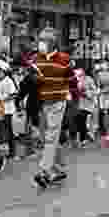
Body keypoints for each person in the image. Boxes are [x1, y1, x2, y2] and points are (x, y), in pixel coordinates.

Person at [32, 29, 71, 189]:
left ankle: (44, 170)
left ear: (53, 43)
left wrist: (70, 94)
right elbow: (33, 80)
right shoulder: (35, 59)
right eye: (40, 41)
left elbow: (70, 79)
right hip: (42, 103)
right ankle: (59, 168)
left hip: (58, 102)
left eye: (44, 41)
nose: (41, 44)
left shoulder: (64, 59)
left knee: (50, 137)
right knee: (48, 136)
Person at [0, 59, 17, 162]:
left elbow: (14, 94)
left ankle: (12, 152)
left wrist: (3, 100)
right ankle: (5, 151)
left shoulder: (8, 80)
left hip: (7, 110)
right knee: (1, 130)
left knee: (8, 130)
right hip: (0, 110)